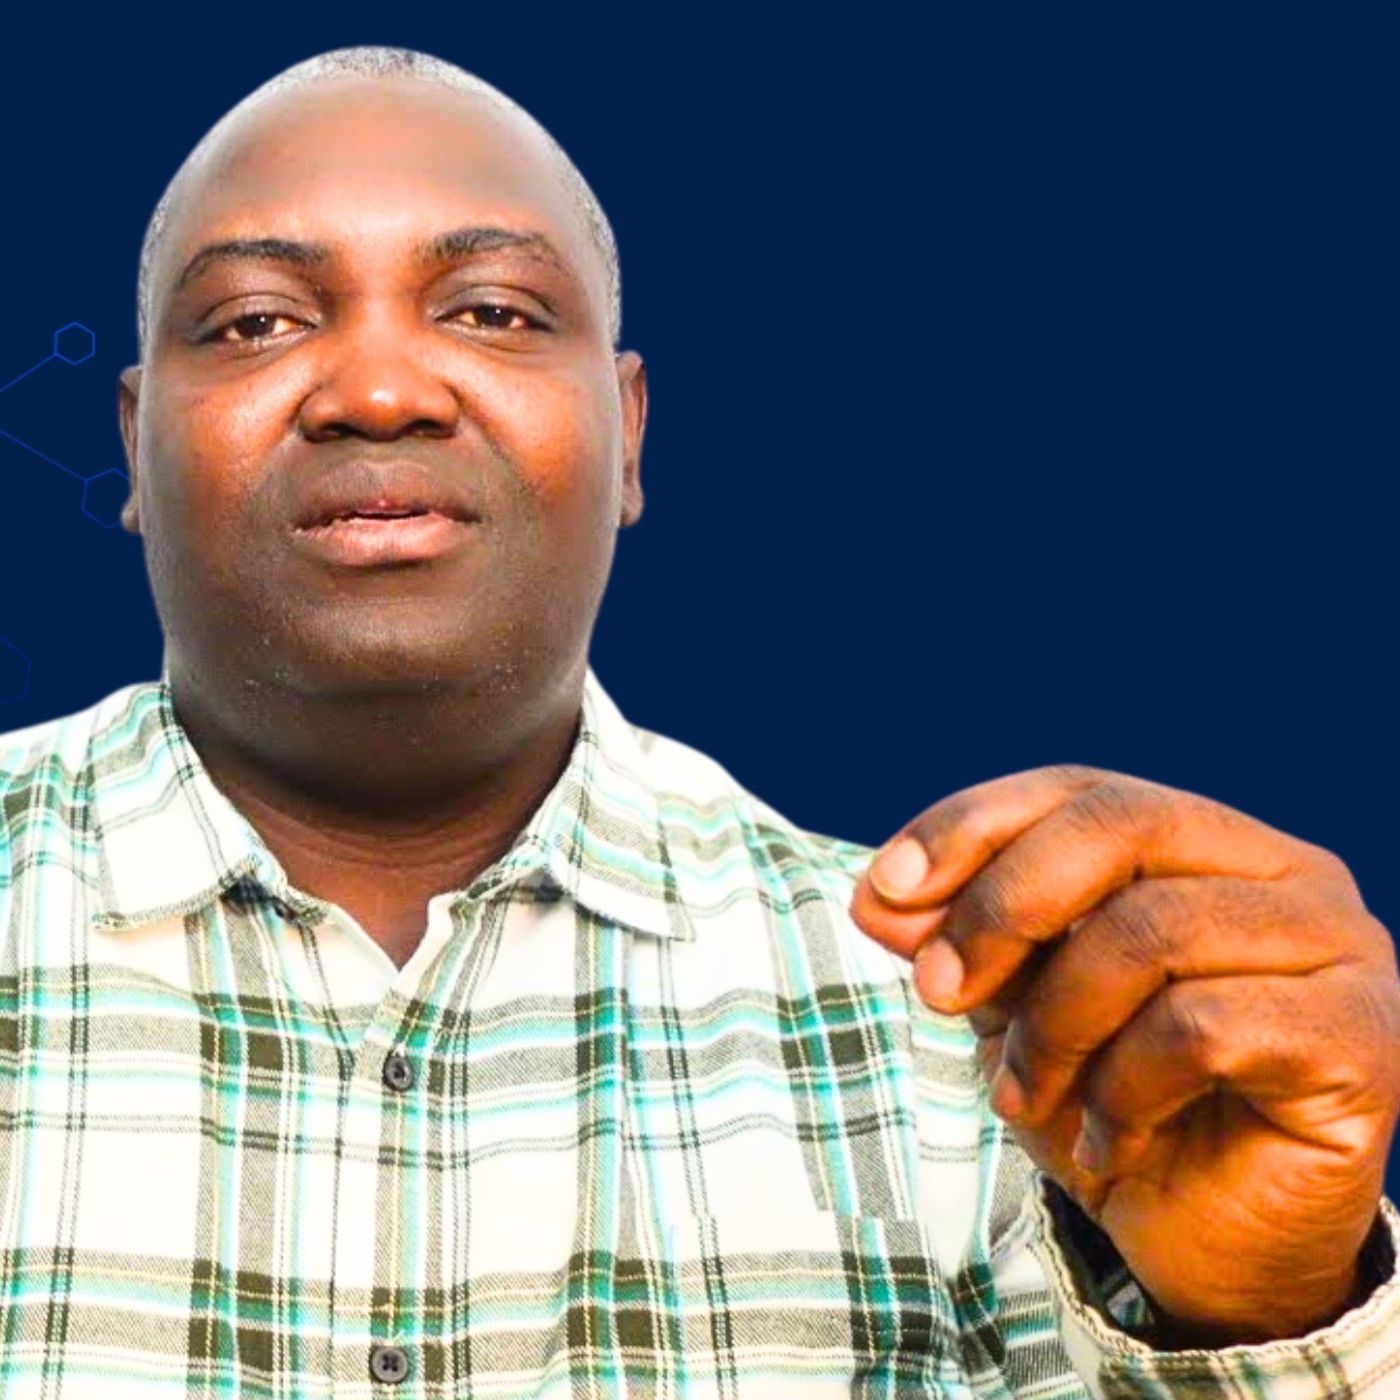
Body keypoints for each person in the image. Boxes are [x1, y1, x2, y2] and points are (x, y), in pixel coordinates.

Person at [0, 42, 1396, 1397]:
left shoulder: (1004, 1030)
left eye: (493, 311)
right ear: (133, 443)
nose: (378, 392)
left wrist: (1257, 1320)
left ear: (628, 434)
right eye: (255, 322)